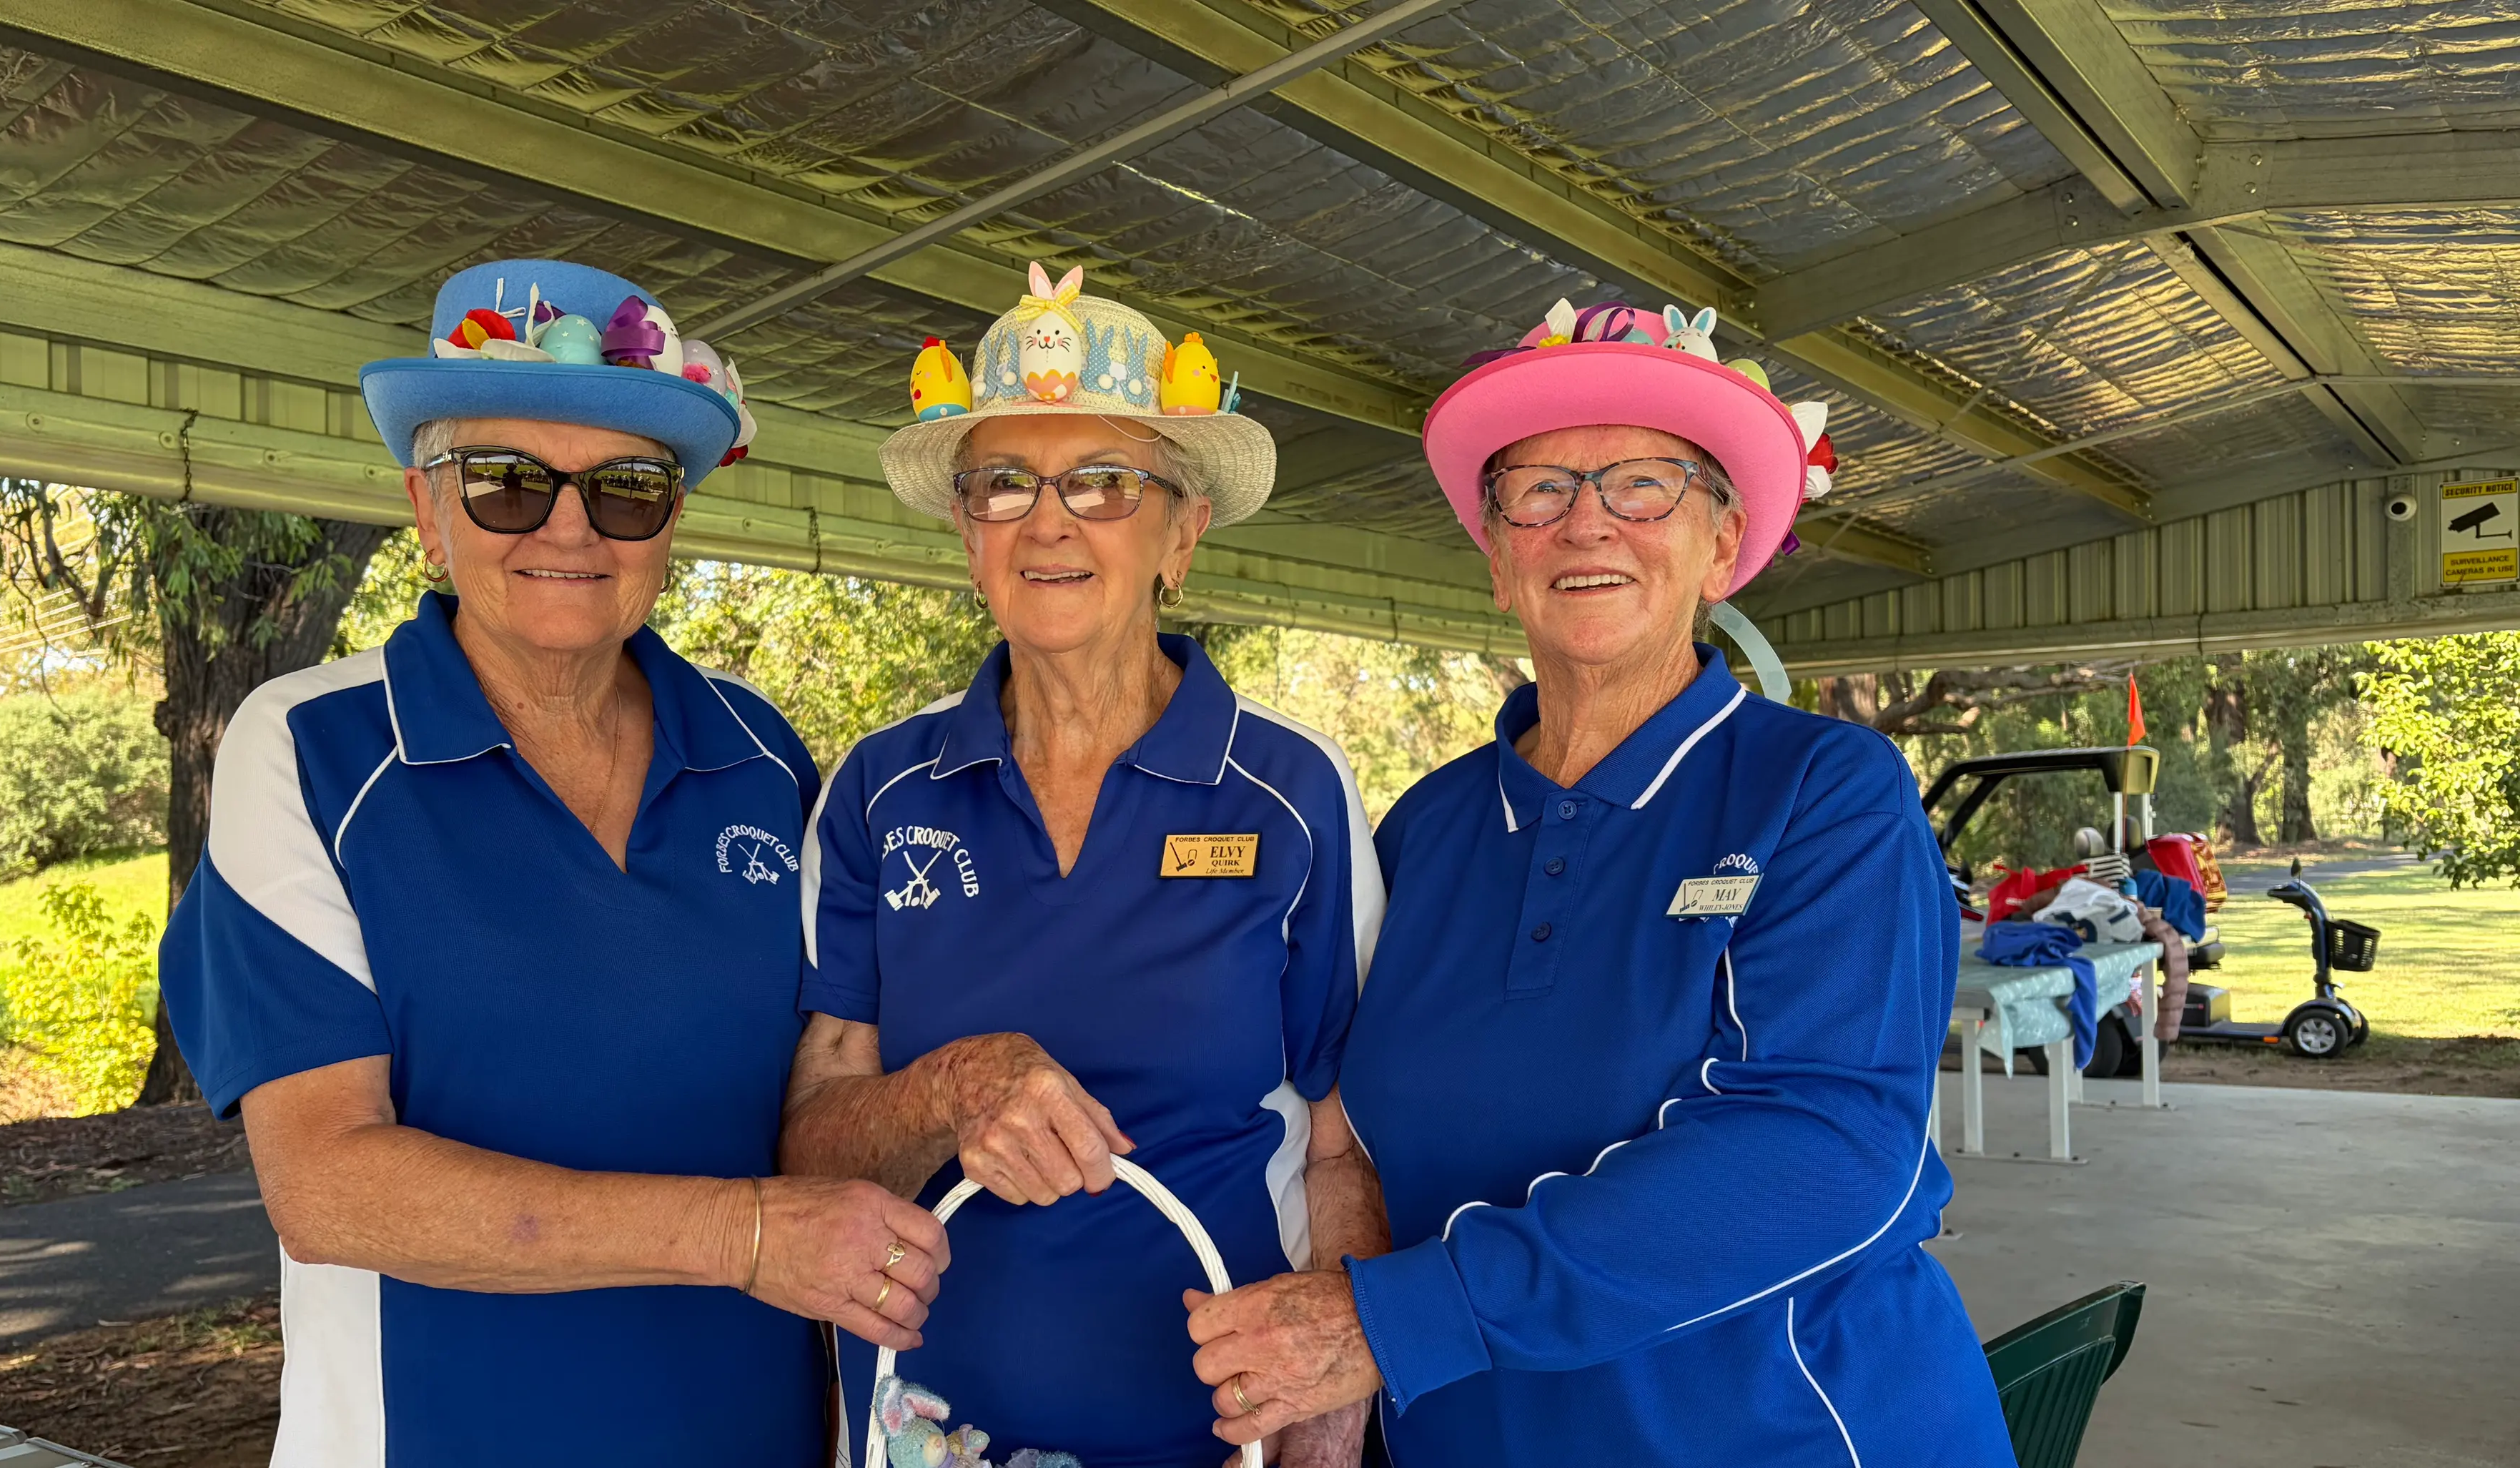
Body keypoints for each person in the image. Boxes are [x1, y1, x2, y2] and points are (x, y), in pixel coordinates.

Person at [1182, 301, 2015, 1464]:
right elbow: (1342, 1136)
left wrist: (1398, 1322)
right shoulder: (1424, 830)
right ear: (1495, 555)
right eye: (1540, 491)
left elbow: (1826, 1150)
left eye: (1645, 485)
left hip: (1791, 1434)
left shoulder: (1824, 792)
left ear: (1723, 547)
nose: (1588, 526)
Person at [157, 259, 949, 1466]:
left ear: (671, 524)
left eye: (627, 489)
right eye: (507, 484)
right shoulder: (312, 748)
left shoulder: (763, 757)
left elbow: (822, 1091)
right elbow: (327, 1187)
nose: (569, 528)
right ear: (427, 510)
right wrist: (743, 1238)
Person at [781, 265, 1388, 1468]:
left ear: (1183, 532)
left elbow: (1339, 1150)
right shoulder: (878, 792)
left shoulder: (1291, 797)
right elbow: (813, 1149)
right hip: (923, 1430)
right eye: (1003, 485)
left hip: (1214, 1442)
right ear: (967, 533)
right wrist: (949, 1090)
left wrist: (1322, 1444)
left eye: (1104, 482)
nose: (1048, 520)